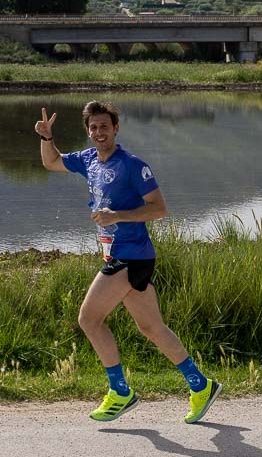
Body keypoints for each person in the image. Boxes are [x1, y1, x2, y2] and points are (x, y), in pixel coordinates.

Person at [35, 100, 221, 424]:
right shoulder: (88, 160)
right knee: (151, 327)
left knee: (89, 319)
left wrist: (116, 215)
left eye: (104, 126)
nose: (98, 132)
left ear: (116, 128)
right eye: (93, 128)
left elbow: (159, 208)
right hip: (123, 256)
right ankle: (201, 385)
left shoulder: (133, 165)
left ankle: (120, 391)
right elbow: (51, 163)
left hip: (130, 255)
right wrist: (47, 138)